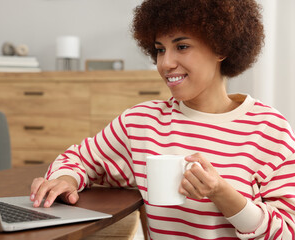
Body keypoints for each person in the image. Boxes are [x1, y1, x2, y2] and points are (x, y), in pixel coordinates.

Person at [30, 0, 295, 239]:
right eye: (159, 50)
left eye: (182, 46)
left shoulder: (270, 130)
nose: (166, 63)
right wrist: (66, 179)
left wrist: (222, 193)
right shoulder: (142, 122)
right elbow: (79, 158)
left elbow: (287, 232)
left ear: (221, 48)